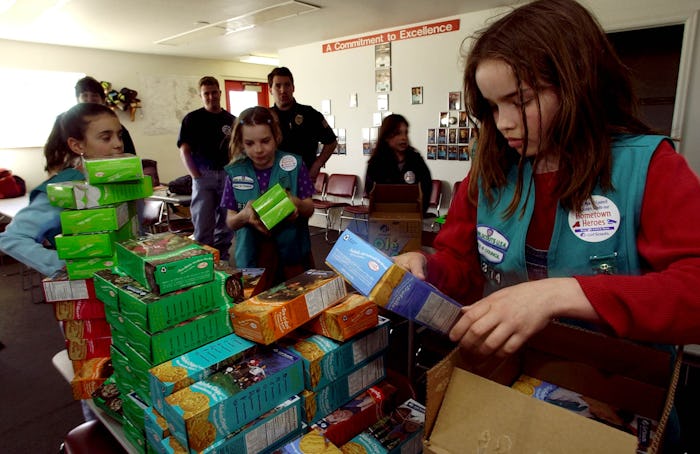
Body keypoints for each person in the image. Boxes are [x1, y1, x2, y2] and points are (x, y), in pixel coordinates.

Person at [394, 0, 700, 359]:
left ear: (577, 85)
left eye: (521, 101)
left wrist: (561, 295)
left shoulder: (650, 166)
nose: (503, 122)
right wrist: (427, 266)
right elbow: (463, 266)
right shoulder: (490, 172)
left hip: (617, 381)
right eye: (493, 106)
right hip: (510, 373)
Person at [0, 102, 125, 277]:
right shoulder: (64, 187)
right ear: (77, 146)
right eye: (106, 138)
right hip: (88, 285)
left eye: (120, 136)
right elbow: (12, 239)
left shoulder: (118, 179)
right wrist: (62, 264)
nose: (118, 144)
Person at [222, 106, 315, 287]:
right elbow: (230, 221)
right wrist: (246, 214)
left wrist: (294, 202)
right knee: (257, 309)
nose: (258, 149)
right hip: (252, 259)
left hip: (292, 256)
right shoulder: (235, 172)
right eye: (249, 143)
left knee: (297, 305)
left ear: (276, 136)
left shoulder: (294, 164)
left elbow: (309, 208)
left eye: (265, 141)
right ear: (241, 142)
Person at [177, 76, 235, 260]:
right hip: (204, 177)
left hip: (227, 176)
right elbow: (185, 150)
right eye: (206, 93)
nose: (211, 96)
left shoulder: (231, 120)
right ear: (201, 96)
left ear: (220, 93)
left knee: (226, 226)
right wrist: (196, 176)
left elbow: (238, 150)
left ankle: (222, 261)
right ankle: (204, 263)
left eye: (214, 92)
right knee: (203, 226)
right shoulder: (192, 119)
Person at [268, 67, 337, 181]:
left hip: (303, 177)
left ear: (293, 88)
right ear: (270, 89)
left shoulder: (310, 114)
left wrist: (318, 164)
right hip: (273, 178)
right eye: (278, 85)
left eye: (287, 85)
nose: (283, 90)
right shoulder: (265, 117)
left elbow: (331, 142)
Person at [364, 114, 432, 215]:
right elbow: (371, 191)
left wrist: (420, 211)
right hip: (384, 218)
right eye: (398, 133)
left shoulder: (416, 160)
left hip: (411, 216)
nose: (404, 138)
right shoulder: (376, 163)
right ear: (386, 136)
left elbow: (427, 187)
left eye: (406, 133)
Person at [74, 76, 136, 154]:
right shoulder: (67, 125)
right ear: (77, 99)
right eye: (85, 95)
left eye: (94, 96)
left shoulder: (118, 128)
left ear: (103, 100)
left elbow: (130, 157)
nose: (89, 100)